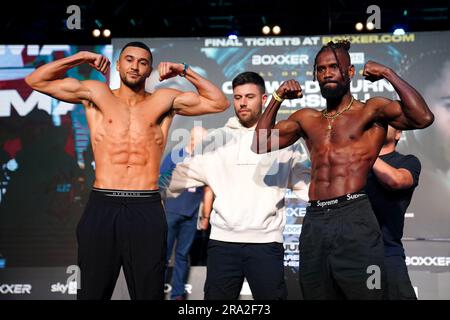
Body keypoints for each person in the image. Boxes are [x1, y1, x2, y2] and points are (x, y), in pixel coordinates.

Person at [25, 41, 229, 300]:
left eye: (143, 62)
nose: (135, 66)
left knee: (148, 293)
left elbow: (219, 103)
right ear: (119, 65)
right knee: (92, 293)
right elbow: (35, 80)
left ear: (149, 70)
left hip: (145, 207)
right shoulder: (96, 94)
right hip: (103, 205)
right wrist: (80, 57)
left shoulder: (164, 100)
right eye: (129, 60)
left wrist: (183, 69)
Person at [253, 40, 434, 300]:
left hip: (354, 218)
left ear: (349, 72)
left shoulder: (372, 111)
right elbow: (260, 144)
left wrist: (388, 74)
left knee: (368, 294)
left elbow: (423, 117)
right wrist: (278, 97)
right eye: (321, 69)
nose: (327, 73)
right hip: (315, 221)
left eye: (334, 67)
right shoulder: (307, 118)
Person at [160, 71, 310, 300]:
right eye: (238, 97)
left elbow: (309, 189)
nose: (242, 102)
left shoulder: (285, 140)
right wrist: (141, 185)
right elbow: (177, 178)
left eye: (249, 96)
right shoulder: (215, 140)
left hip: (266, 244)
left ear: (264, 98)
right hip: (223, 244)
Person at [365, 125, 420, 300]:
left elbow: (396, 180)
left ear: (398, 133)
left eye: (386, 121)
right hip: (352, 252)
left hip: (386, 250)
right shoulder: (355, 164)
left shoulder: (408, 161)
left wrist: (368, 153)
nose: (379, 123)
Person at [160, 126, 211, 300]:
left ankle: (177, 295)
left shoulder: (204, 160)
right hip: (170, 213)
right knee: (163, 255)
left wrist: (205, 215)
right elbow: (160, 182)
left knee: (182, 256)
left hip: (191, 215)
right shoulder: (175, 155)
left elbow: (207, 189)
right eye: (202, 139)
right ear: (192, 139)